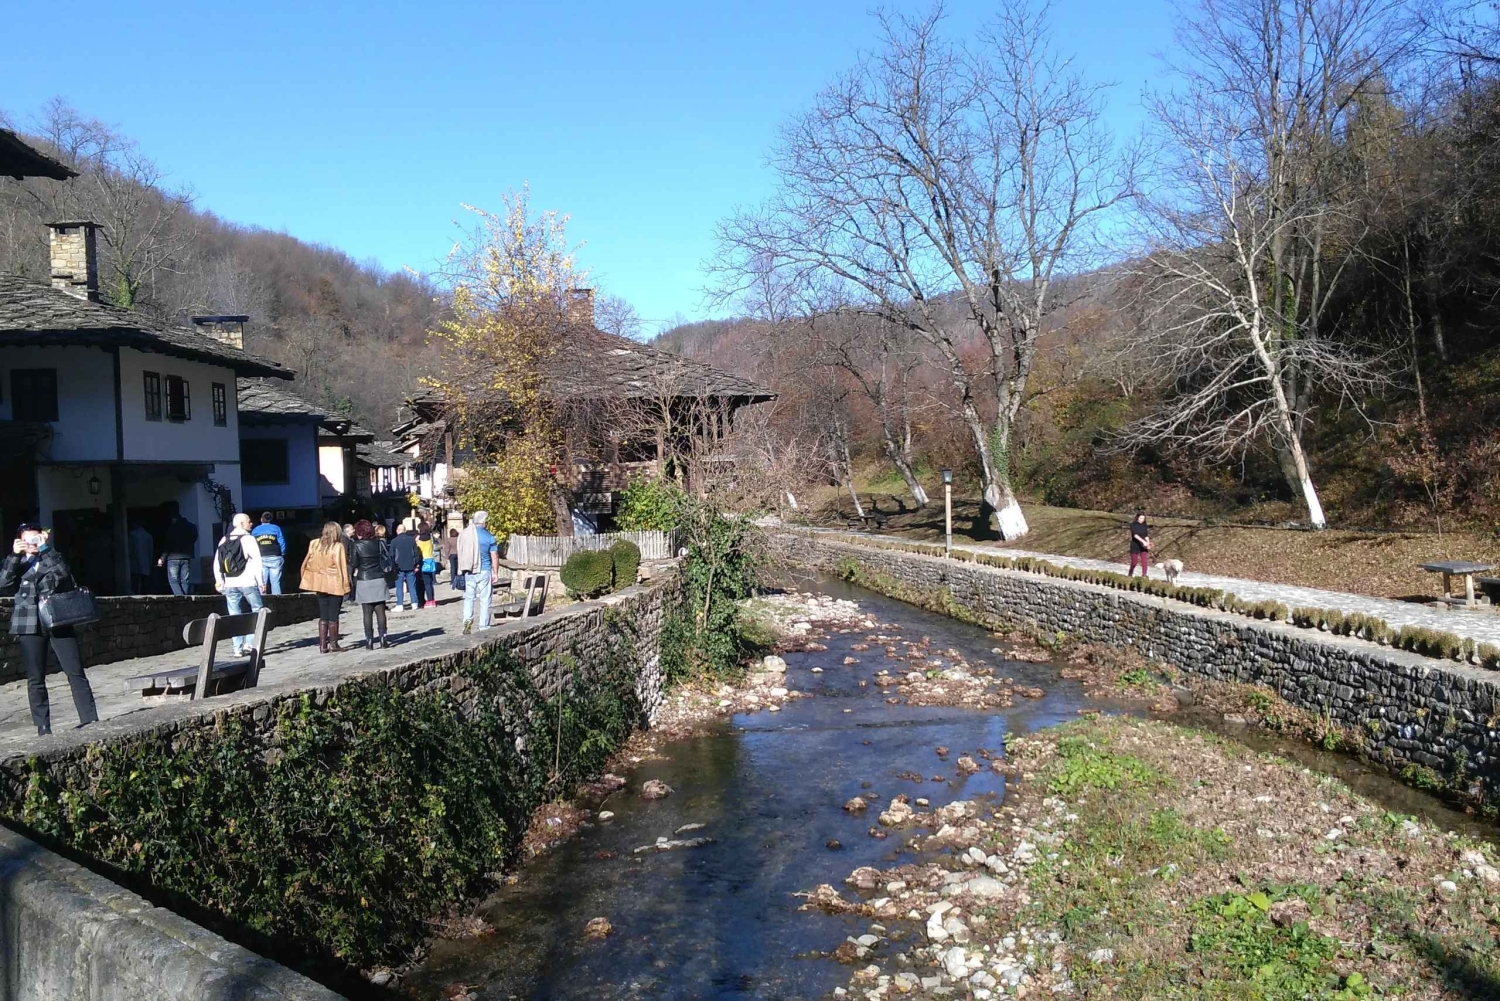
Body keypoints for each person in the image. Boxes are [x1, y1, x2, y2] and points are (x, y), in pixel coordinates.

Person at [0, 525, 99, 736]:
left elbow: (63, 573)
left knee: (75, 671)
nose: (32, 545)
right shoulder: (16, 563)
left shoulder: (51, 557)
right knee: (35, 677)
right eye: (27, 541)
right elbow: (3, 583)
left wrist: (45, 548)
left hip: (58, 618)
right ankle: (43, 727)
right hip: (29, 623)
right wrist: (13, 556)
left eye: (35, 539)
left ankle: (90, 719)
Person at [213, 513, 266, 656]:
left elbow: (217, 562)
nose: (251, 523)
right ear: (242, 524)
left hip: (230, 583)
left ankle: (237, 648)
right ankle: (249, 644)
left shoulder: (224, 539)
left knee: (234, 615)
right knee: (257, 610)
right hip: (247, 581)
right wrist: (261, 582)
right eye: (249, 521)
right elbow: (257, 562)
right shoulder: (248, 539)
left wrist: (220, 580)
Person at [300, 521, 349, 653]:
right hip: (334, 582)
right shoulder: (338, 546)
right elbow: (341, 567)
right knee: (333, 613)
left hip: (319, 582)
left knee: (323, 614)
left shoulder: (314, 543)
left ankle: (322, 645)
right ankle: (333, 644)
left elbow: (306, 562)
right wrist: (345, 584)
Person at [349, 519, 391, 649]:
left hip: (364, 579)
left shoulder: (356, 545)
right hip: (378, 578)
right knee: (380, 611)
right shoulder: (379, 543)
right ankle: (383, 639)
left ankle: (369, 641)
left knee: (367, 613)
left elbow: (354, 563)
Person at [456, 510, 499, 634]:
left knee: (469, 597)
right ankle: (483, 626)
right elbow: (494, 556)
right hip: (484, 570)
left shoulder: (465, 534)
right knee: (485, 599)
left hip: (469, 570)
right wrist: (495, 572)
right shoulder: (489, 536)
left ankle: (467, 621)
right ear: (484, 522)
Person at [159, 505, 198, 596]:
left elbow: (168, 544)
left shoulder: (172, 528)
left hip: (173, 557)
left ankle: (180, 598)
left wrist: (162, 558)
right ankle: (185, 597)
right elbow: (194, 538)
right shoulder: (191, 527)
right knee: (185, 580)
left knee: (173, 580)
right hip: (187, 557)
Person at [251, 512, 286, 595]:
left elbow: (251, 543)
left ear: (261, 519)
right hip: (275, 556)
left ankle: (262, 601)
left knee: (262, 582)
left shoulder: (256, 530)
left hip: (261, 557)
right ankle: (277, 601)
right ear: (270, 519)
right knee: (275, 582)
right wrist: (282, 553)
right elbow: (282, 542)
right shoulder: (276, 528)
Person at [390, 523, 421, 611]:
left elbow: (391, 555)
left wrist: (393, 566)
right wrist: (417, 564)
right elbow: (416, 553)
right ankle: (414, 603)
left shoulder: (394, 541)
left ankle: (400, 604)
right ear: (405, 530)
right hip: (411, 565)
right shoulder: (411, 540)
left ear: (397, 531)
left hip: (398, 567)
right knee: (412, 585)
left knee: (399, 586)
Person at [127, 521, 155, 595]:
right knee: (144, 583)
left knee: (135, 583)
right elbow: (151, 551)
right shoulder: (149, 536)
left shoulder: (132, 534)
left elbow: (130, 549)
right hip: (146, 562)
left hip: (134, 561)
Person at [415, 523, 438, 608]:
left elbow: (417, 551)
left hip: (423, 561)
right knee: (429, 582)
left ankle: (428, 601)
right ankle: (432, 599)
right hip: (430, 560)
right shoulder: (430, 538)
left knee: (423, 582)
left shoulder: (419, 540)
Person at [1128, 510, 1152, 578]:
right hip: (1135, 545)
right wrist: (1143, 541)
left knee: (1144, 561)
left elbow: (1146, 535)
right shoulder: (1133, 525)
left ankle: (1144, 575)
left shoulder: (1144, 525)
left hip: (1143, 546)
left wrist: (1148, 543)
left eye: (1143, 518)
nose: (1142, 520)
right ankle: (1130, 572)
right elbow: (1135, 535)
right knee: (1134, 562)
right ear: (1137, 517)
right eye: (1141, 518)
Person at [448, 527, 462, 592]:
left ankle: (453, 580)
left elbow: (448, 548)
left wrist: (447, 555)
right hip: (458, 554)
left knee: (453, 568)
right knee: (458, 567)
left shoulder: (449, 540)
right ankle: (458, 579)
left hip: (452, 554)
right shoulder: (459, 539)